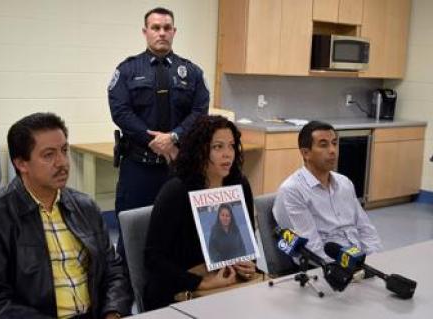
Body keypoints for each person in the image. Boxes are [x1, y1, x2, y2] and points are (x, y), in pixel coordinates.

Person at [0, 113, 132, 319]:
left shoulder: (85, 207)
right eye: (49, 155)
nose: (62, 162)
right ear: (21, 163)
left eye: (64, 150)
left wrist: (113, 312)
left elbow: (113, 270)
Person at [107, 7, 209, 238]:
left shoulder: (192, 72)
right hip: (138, 167)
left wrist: (174, 137)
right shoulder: (127, 70)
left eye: (166, 28)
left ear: (174, 31)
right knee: (132, 232)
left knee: (180, 231)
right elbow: (120, 111)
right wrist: (154, 139)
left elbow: (199, 112)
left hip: (178, 166)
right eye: (155, 28)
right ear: (145, 32)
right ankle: (127, 275)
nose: (161, 33)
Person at [143, 115, 256, 310]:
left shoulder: (239, 184)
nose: (228, 154)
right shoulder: (177, 191)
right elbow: (153, 259)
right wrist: (201, 282)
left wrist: (248, 265)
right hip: (181, 285)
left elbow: (247, 240)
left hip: (229, 281)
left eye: (231, 146)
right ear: (200, 151)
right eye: (218, 147)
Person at [273, 120, 382, 260]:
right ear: (305, 153)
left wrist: (376, 258)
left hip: (359, 260)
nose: (332, 150)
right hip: (326, 268)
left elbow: (365, 229)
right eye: (324, 145)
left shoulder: (344, 183)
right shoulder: (292, 191)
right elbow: (310, 248)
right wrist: (342, 270)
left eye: (334, 143)